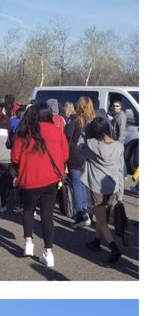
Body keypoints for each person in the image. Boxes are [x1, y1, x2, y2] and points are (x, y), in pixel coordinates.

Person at [10, 102, 69, 267]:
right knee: (47, 216)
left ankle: (28, 243)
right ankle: (48, 253)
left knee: (28, 210)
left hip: (29, 179)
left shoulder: (25, 132)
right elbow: (65, 155)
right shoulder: (57, 132)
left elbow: (15, 157)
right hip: (51, 179)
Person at [78, 117, 126, 264]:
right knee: (102, 218)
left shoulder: (91, 144)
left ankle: (113, 247)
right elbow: (120, 167)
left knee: (101, 220)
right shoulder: (119, 146)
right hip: (112, 186)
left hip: (97, 186)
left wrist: (86, 131)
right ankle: (96, 241)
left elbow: (79, 147)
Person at [64, 96, 96, 228]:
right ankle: (87, 211)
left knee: (77, 185)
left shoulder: (74, 120)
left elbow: (67, 136)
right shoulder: (93, 120)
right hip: (88, 155)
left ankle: (80, 214)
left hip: (75, 155)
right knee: (86, 184)